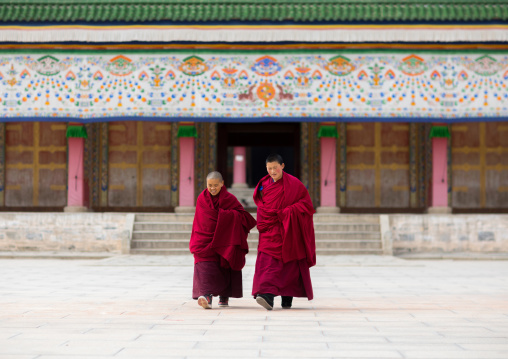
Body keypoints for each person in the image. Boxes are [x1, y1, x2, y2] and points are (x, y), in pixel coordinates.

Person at [252, 153, 316, 310]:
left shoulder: (295, 184)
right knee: (268, 263)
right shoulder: (263, 184)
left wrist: (287, 212)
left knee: (289, 264)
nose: (272, 171)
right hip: (269, 229)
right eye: (269, 168)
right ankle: (267, 295)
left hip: (288, 228)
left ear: (282, 166)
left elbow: (306, 206)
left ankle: (287, 296)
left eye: (275, 168)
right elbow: (261, 203)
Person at [189, 171, 257, 309]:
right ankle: (206, 296)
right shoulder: (201, 198)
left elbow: (242, 215)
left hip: (225, 238)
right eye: (210, 185)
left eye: (215, 185)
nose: (212, 188)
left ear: (222, 184)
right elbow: (201, 220)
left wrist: (224, 217)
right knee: (205, 265)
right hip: (204, 237)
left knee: (225, 262)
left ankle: (224, 295)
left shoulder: (229, 198)